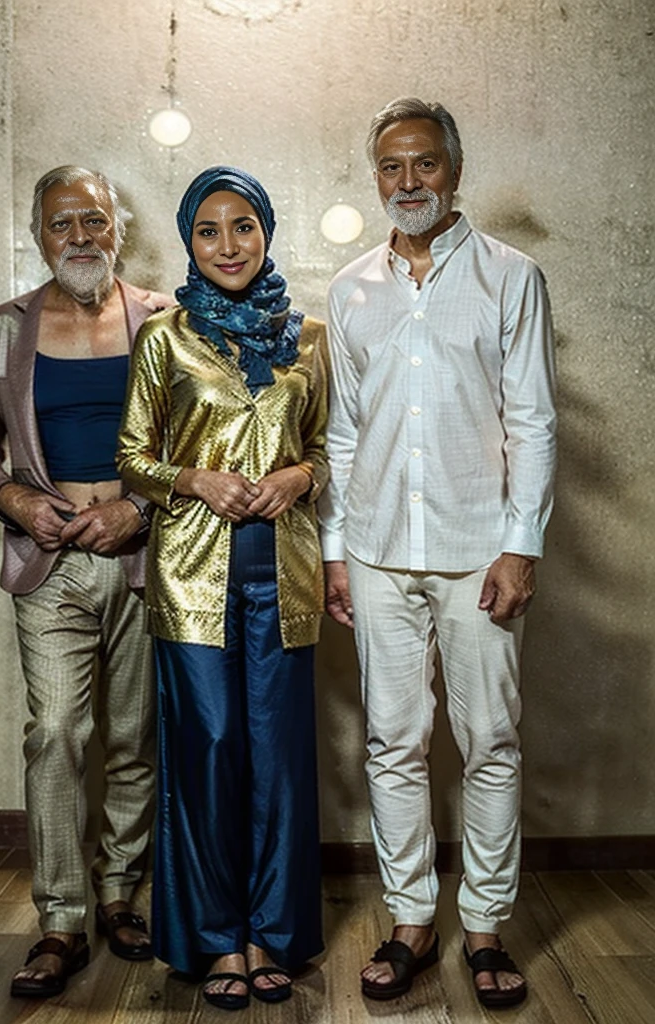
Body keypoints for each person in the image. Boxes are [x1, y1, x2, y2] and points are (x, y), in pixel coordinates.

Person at [319, 98, 556, 1009]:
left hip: (478, 550)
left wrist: (520, 545)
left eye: (424, 165)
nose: (407, 182)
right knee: (392, 741)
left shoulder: (512, 277)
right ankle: (412, 918)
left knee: (490, 741)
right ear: (375, 176)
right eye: (391, 167)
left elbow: (532, 420)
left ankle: (486, 928)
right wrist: (338, 552)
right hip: (376, 549)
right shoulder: (350, 291)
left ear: (454, 171)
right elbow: (342, 432)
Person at [0, 165, 172, 998]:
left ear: (118, 226)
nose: (78, 236)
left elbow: (197, 440)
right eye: (59, 224)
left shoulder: (166, 320)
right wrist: (15, 497)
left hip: (145, 562)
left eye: (92, 219)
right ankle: (60, 919)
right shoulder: (4, 329)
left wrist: (140, 510)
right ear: (37, 233)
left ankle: (122, 895)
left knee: (133, 736)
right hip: (48, 568)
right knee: (57, 733)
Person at [117, 166, 327, 1010]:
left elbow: (330, 446)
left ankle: (268, 936)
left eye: (243, 226)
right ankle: (211, 940)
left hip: (286, 578)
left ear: (266, 232)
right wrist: (195, 480)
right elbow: (131, 458)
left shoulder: (308, 338)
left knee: (276, 759)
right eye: (209, 230)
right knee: (206, 754)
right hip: (191, 578)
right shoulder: (164, 338)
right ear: (189, 242)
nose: (228, 244)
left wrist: (302, 477)